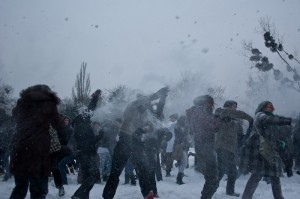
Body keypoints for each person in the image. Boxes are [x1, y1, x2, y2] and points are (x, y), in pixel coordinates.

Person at [102, 86, 169, 199]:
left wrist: (147, 128)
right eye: (145, 103)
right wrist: (158, 94)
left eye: (147, 104)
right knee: (115, 171)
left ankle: (148, 194)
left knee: (143, 169)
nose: (146, 105)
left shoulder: (145, 114)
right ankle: (107, 196)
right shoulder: (132, 106)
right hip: (124, 139)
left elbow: (152, 123)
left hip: (136, 141)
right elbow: (147, 99)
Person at [9, 84, 64, 199]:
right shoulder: (49, 104)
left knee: (20, 187)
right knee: (38, 189)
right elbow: (58, 125)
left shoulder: (22, 102)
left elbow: (14, 115)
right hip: (38, 150)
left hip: (19, 147)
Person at [241, 101, 292, 199]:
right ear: (262, 107)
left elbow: (270, 136)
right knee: (256, 176)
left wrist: (278, 143)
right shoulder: (260, 115)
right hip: (261, 151)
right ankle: (246, 197)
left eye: (270, 106)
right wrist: (288, 120)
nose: (269, 108)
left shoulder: (270, 118)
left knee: (274, 177)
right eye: (267, 106)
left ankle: (279, 197)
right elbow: (270, 120)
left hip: (269, 151)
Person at [214, 100, 253, 197]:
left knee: (226, 171)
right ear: (228, 106)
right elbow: (236, 113)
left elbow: (239, 135)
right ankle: (212, 190)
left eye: (235, 106)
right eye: (233, 106)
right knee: (227, 171)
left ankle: (223, 191)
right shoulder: (223, 112)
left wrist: (244, 138)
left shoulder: (234, 120)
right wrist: (250, 118)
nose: (235, 108)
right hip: (223, 147)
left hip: (230, 148)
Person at [185, 95, 220, 199]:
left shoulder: (197, 112)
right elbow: (214, 127)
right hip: (205, 147)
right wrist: (217, 117)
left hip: (203, 147)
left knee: (212, 179)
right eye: (210, 103)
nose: (212, 105)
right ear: (205, 103)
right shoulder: (200, 112)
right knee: (213, 179)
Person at [71, 90, 103, 199]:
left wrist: (99, 136)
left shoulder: (81, 123)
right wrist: (95, 98)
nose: (89, 114)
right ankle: (78, 194)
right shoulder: (81, 123)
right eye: (86, 113)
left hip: (84, 153)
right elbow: (88, 141)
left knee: (87, 178)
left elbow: (90, 108)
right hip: (86, 153)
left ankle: (82, 196)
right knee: (94, 175)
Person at [172, 115, 189, 185]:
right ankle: (179, 178)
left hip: (180, 145)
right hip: (179, 146)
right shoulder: (177, 127)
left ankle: (179, 178)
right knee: (184, 162)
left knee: (181, 161)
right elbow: (179, 137)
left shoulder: (180, 127)